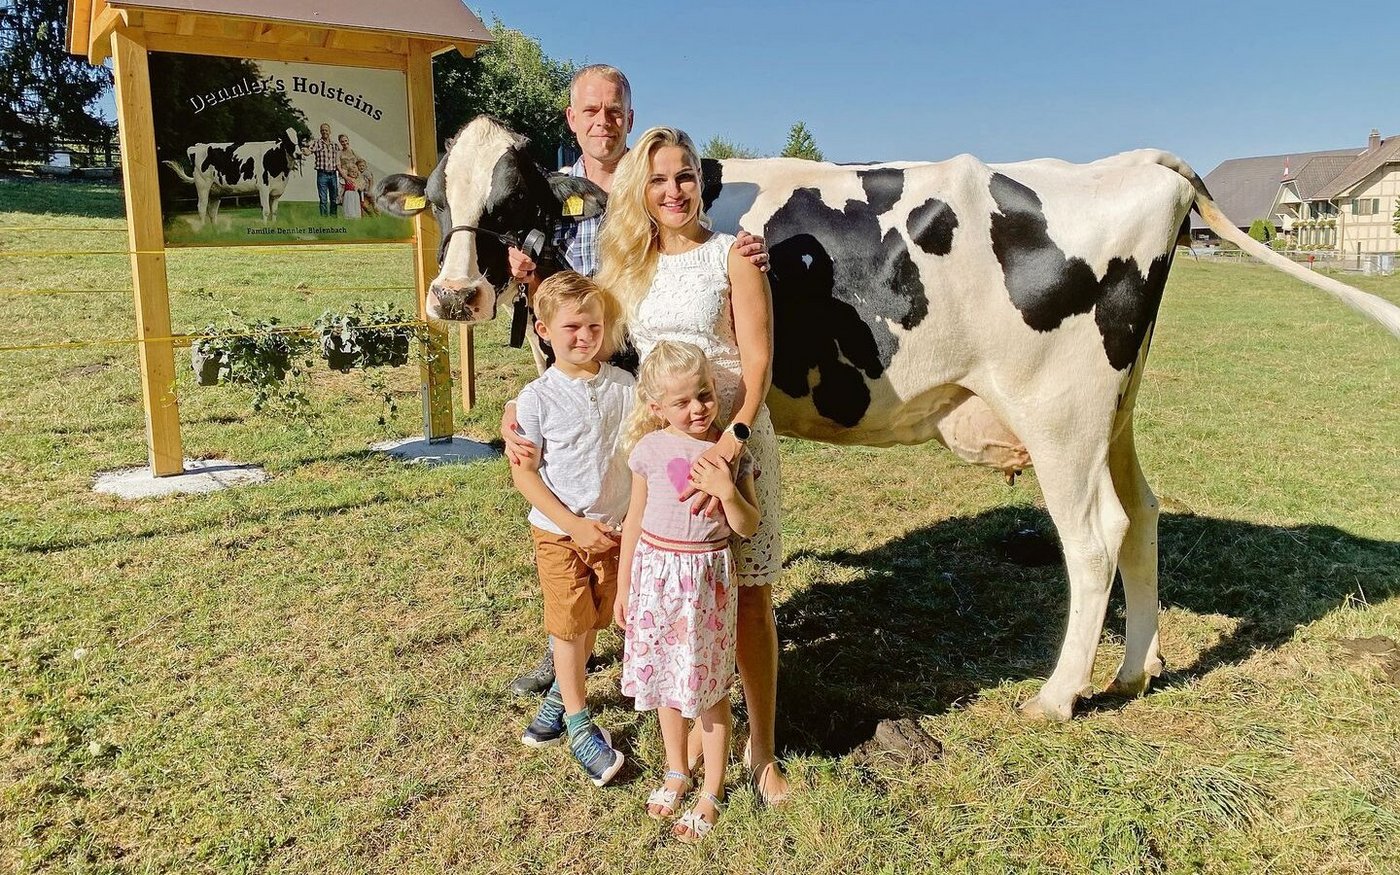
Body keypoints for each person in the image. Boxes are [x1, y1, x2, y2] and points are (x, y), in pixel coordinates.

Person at [501, 63, 770, 699]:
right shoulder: (553, 201)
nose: (603, 121)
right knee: (608, 526)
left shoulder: (691, 226)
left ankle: (730, 721)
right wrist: (523, 406)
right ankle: (586, 659)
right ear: (571, 118)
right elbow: (574, 318)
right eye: (590, 111)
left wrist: (733, 437)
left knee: (715, 567)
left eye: (615, 109)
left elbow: (753, 352)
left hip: (699, 415)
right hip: (617, 402)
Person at [615, 341, 760, 842]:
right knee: (663, 684)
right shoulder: (650, 452)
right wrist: (623, 586)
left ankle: (711, 792)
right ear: (656, 408)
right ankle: (676, 769)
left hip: (705, 587)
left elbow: (747, 525)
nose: (697, 409)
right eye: (682, 402)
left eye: (703, 395)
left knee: (709, 690)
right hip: (655, 583)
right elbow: (634, 521)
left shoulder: (730, 452)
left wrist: (726, 490)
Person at [510, 271, 631, 786]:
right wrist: (572, 525)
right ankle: (581, 726)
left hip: (614, 529)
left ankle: (561, 693)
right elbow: (525, 475)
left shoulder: (626, 387)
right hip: (559, 532)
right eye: (572, 328)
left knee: (596, 620)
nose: (585, 337)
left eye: (595, 327)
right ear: (543, 330)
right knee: (568, 621)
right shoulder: (536, 398)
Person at [305, 123, 340, 216]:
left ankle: (333, 218)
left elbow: (340, 159)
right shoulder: (317, 143)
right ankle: (324, 220)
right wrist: (305, 151)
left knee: (334, 198)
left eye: (326, 130)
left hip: (333, 175)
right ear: (320, 132)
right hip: (322, 175)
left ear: (330, 131)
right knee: (323, 199)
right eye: (322, 130)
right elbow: (309, 151)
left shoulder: (335, 145)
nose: (324, 132)